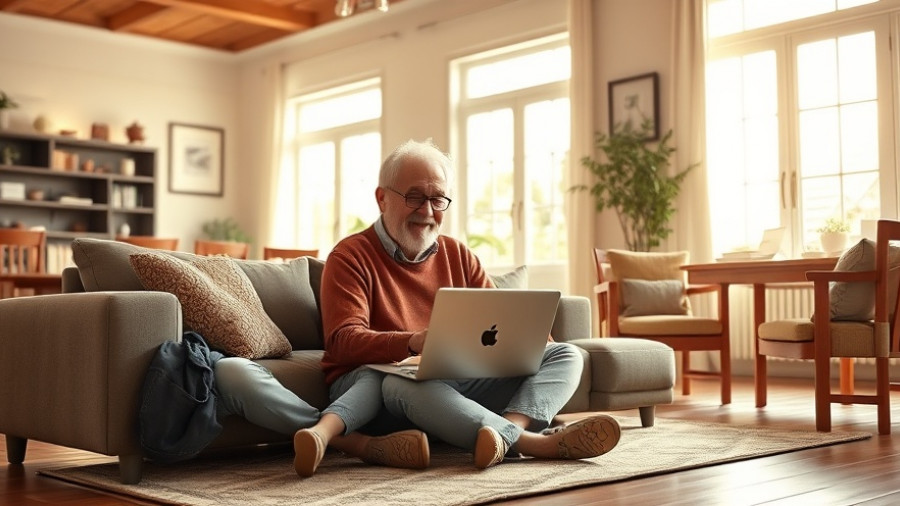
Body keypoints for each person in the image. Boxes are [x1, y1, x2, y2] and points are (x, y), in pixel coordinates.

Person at [319, 138, 621, 469]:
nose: (427, 211)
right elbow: (342, 341)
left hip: (454, 382)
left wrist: (533, 341)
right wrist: (413, 341)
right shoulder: (349, 256)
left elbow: (500, 320)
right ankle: (534, 443)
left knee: (568, 354)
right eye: (415, 197)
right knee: (402, 383)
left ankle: (506, 433)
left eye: (437, 199)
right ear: (382, 198)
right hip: (382, 392)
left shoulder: (458, 254)